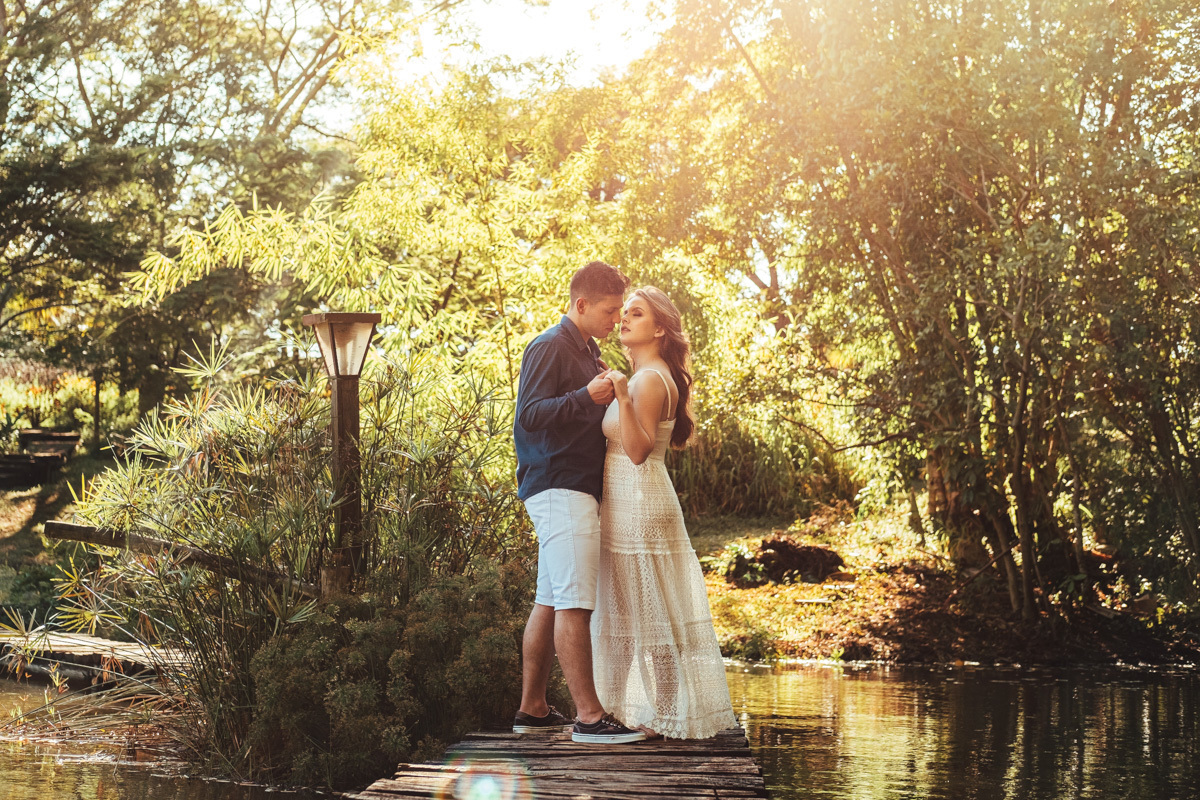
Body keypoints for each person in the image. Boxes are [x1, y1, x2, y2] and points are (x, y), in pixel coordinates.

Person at [591, 286, 737, 740]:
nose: (624, 320)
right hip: (633, 501)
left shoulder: (648, 381)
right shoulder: (644, 376)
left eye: (636, 314)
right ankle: (636, 713)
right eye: (624, 314)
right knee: (637, 616)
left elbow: (636, 451)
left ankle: (667, 715)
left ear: (659, 328)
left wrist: (621, 393)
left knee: (650, 622)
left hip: (640, 502)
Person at [510, 261, 647, 744]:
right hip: (559, 486)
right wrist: (585, 397)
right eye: (610, 311)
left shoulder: (589, 350)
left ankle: (532, 709)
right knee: (574, 603)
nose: (616, 320)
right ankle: (589, 719)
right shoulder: (550, 346)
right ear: (581, 305)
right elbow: (527, 416)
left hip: (571, 488)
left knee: (549, 600)